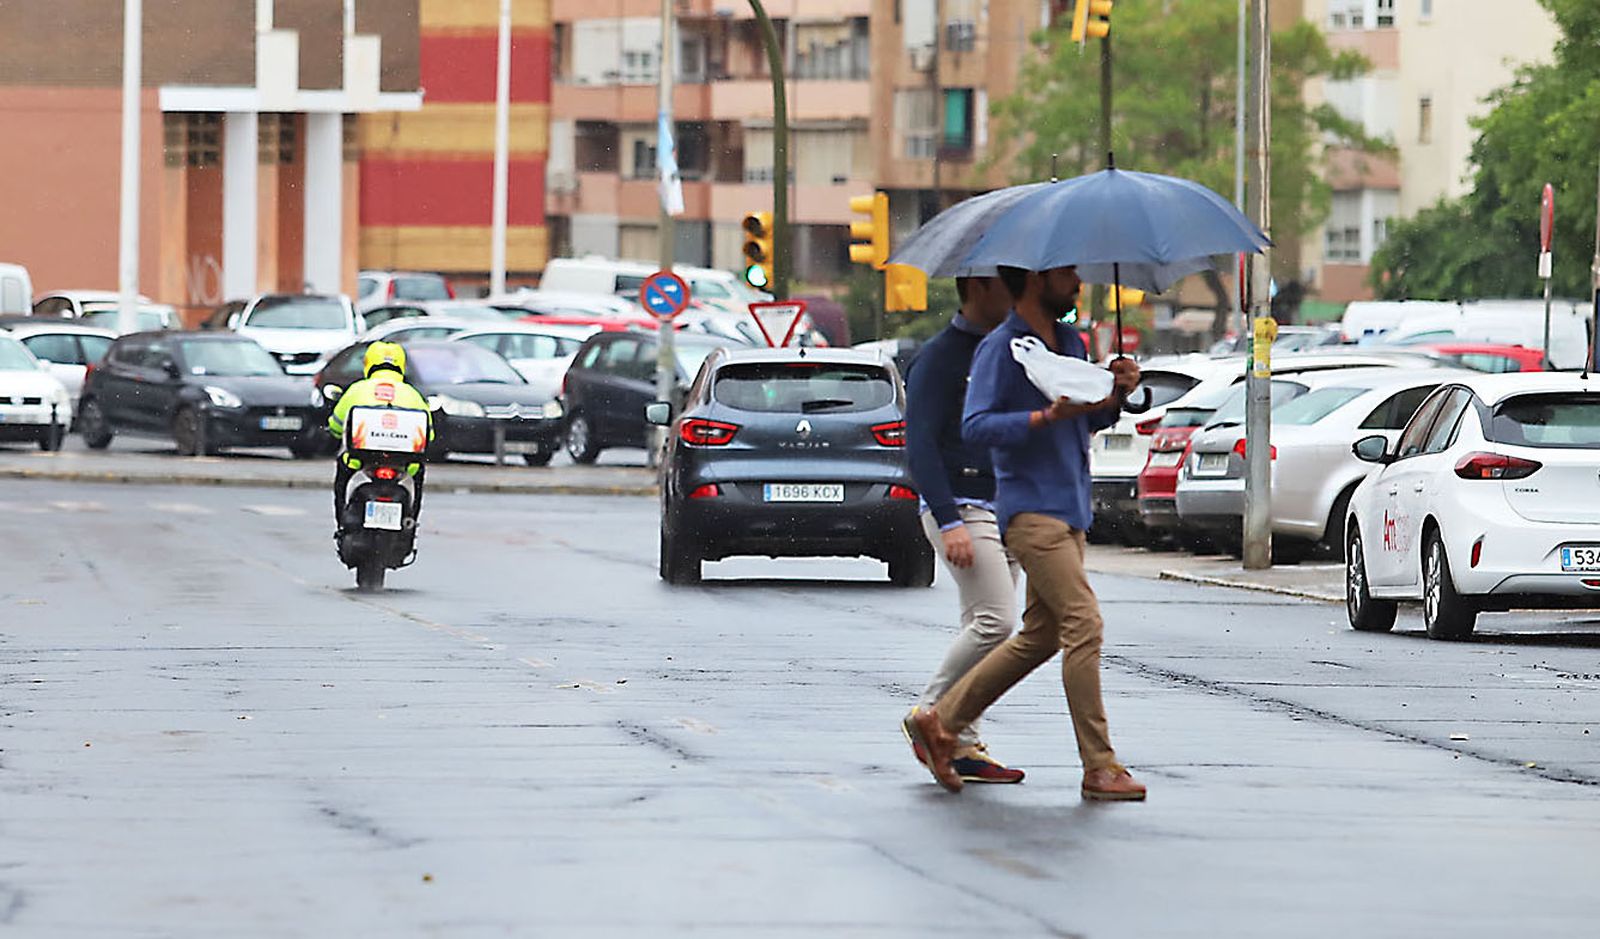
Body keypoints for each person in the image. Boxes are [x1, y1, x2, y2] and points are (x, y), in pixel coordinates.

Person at [904, 264, 1147, 801]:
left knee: (1040, 636)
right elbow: (977, 425)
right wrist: (1040, 419)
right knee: (1084, 624)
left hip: (1069, 507)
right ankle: (1100, 765)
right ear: (1036, 279)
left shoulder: (1070, 342)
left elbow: (1083, 421)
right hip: (1028, 511)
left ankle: (943, 721)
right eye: (1066, 274)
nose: (1078, 283)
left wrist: (1115, 395)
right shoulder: (1001, 348)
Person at [899, 275, 1025, 785]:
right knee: (998, 621)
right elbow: (920, 445)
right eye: (1007, 287)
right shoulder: (941, 357)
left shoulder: (1010, 352)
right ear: (976, 288)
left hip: (1007, 504)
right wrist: (948, 518)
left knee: (982, 629)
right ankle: (930, 715)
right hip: (963, 506)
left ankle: (965, 742)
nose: (1016, 297)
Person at [327, 341, 433, 531]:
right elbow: (429, 434)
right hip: (405, 462)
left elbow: (335, 424)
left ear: (368, 363)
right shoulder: (412, 394)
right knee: (418, 478)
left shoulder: (358, 389)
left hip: (360, 459)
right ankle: (411, 521)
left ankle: (341, 522)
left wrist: (334, 432)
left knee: (342, 477)